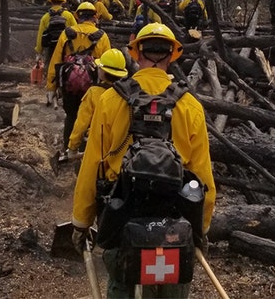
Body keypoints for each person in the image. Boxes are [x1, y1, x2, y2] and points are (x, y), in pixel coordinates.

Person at [70, 23, 215, 298]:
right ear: (173, 55)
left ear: (136, 53)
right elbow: (203, 179)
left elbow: (92, 166)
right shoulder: (190, 106)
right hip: (176, 229)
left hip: (123, 220)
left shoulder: (111, 100)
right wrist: (201, 231)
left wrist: (81, 222)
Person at [46, 1, 112, 151]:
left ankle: (67, 148)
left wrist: (51, 86)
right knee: (91, 118)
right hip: (93, 85)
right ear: (95, 17)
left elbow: (56, 60)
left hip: (69, 84)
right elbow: (107, 63)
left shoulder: (67, 33)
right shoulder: (102, 36)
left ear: (77, 16)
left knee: (71, 116)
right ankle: (85, 149)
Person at [65, 48, 129, 154]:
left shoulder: (93, 93)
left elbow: (81, 123)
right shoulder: (127, 94)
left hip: (96, 144)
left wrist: (72, 146)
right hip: (120, 146)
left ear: (102, 72)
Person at [35, 0, 77, 106]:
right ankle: (64, 93)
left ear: (51, 1)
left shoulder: (45, 17)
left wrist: (39, 51)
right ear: (63, 2)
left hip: (50, 48)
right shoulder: (68, 16)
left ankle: (50, 94)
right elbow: (76, 32)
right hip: (65, 48)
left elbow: (40, 36)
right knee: (66, 69)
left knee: (50, 69)